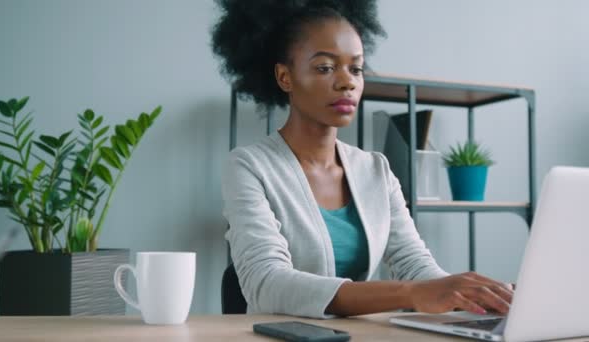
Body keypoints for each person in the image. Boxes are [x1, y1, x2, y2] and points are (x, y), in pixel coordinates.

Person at [212, 0, 513, 319]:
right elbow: (267, 284)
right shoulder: (249, 165)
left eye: (356, 68)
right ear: (285, 77)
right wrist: (411, 294)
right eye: (325, 67)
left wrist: (477, 295)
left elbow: (414, 264)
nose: (348, 82)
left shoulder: (376, 170)